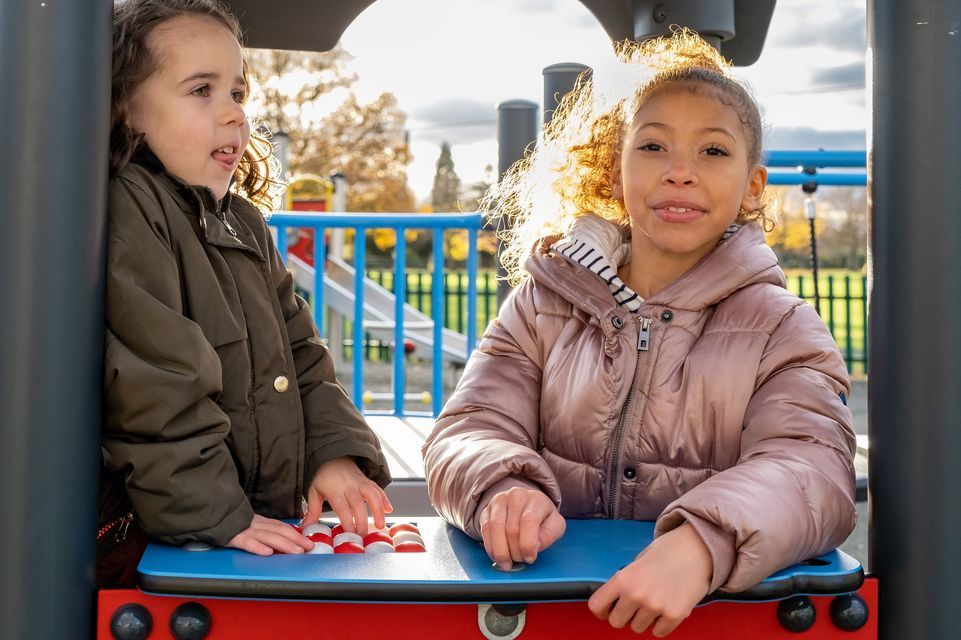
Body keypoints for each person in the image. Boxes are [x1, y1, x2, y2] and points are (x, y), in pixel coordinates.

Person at [423, 30, 856, 637]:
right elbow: (470, 427)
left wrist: (704, 542)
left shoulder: (780, 327)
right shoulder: (544, 305)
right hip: (547, 611)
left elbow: (811, 468)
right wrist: (501, 484)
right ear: (615, 171)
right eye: (653, 146)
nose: (679, 173)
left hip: (708, 616)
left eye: (712, 152)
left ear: (753, 185)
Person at [98, 0, 392, 585]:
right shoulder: (131, 207)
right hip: (161, 534)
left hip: (249, 514)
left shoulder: (244, 224)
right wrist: (217, 516)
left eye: (238, 91)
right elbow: (156, 385)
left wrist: (330, 453)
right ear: (127, 108)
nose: (234, 114)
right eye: (201, 90)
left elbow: (303, 355)